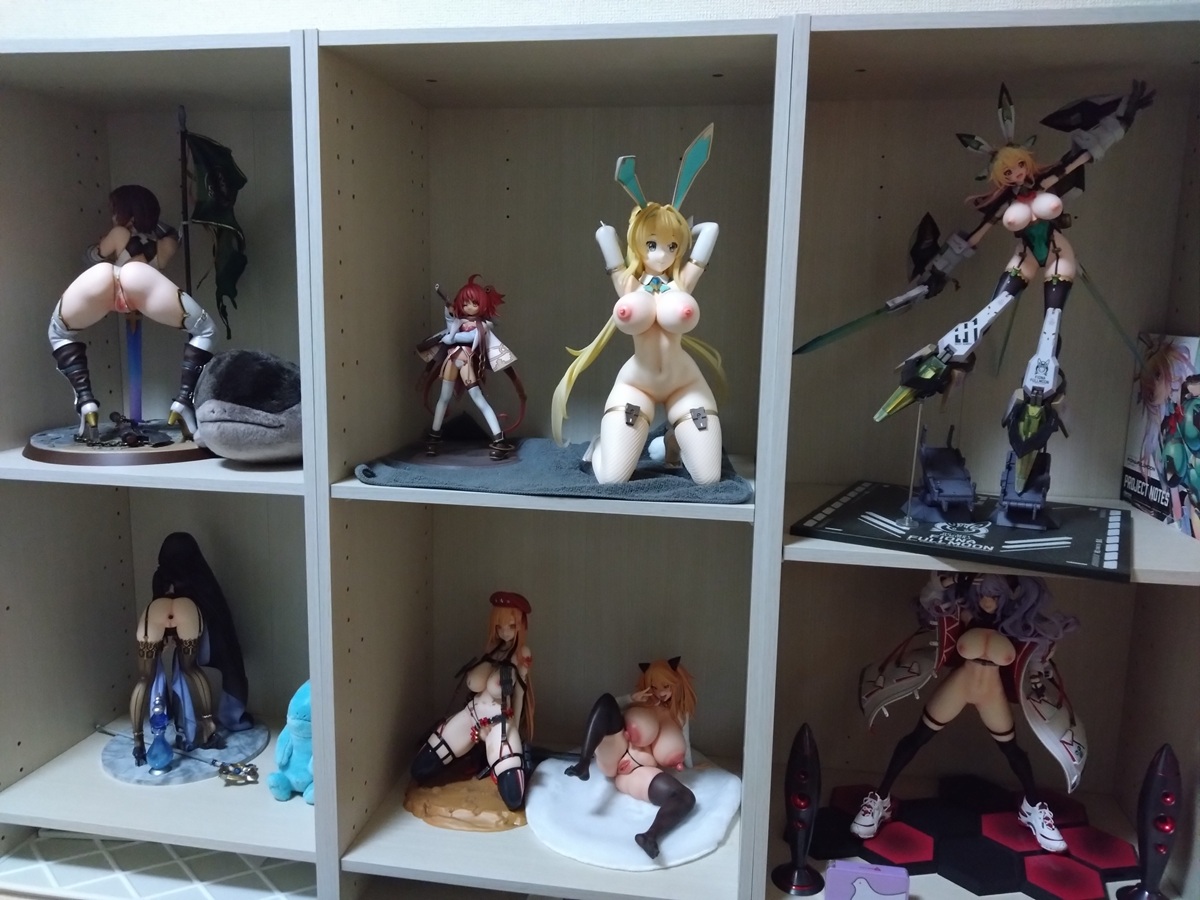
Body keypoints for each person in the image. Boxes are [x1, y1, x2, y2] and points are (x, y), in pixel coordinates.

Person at [853, 573, 1081, 853]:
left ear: (1006, 597)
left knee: (1013, 751)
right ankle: (880, 799)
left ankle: (1032, 807)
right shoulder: (964, 614)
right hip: (960, 685)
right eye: (982, 594)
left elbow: (1034, 657)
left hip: (991, 692)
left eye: (994, 595)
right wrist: (944, 582)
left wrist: (1036, 677)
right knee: (917, 738)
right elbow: (930, 602)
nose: (987, 601)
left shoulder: (1016, 626)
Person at [551, 125, 725, 485]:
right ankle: (603, 444)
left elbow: (711, 229)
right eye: (652, 244)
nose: (662, 254)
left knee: (709, 479)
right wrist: (611, 236)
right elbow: (606, 239)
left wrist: (681, 227)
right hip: (637, 385)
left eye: (672, 246)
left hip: (685, 383)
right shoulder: (628, 283)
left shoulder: (682, 282)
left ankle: (672, 442)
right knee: (613, 478)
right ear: (638, 244)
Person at [48, 184, 215, 440]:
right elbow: (173, 233)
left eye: (116, 210)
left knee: (59, 332)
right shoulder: (166, 243)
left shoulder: (119, 233)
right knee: (204, 329)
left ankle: (85, 401)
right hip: (143, 285)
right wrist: (149, 222)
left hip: (107, 280)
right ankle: (184, 400)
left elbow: (91, 257)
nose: (113, 215)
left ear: (126, 212)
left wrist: (111, 238)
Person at [410, 591, 533, 811]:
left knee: (511, 785)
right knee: (425, 763)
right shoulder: (492, 649)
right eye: (499, 626)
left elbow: (521, 693)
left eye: (511, 626)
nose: (504, 632)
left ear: (521, 625)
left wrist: (513, 726)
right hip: (472, 713)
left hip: (499, 722)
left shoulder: (521, 654)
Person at [564, 657, 698, 859]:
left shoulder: (679, 715)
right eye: (654, 686)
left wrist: (689, 764)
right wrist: (631, 698)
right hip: (619, 750)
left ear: (676, 684)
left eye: (666, 686)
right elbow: (612, 707)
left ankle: (650, 836)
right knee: (606, 701)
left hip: (640, 772)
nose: (661, 692)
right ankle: (583, 763)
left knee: (686, 797)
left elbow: (685, 740)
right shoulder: (642, 702)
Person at [416, 275, 518, 460]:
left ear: (482, 304)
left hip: (466, 362)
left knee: (479, 399)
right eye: (465, 303)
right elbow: (450, 324)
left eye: (474, 303)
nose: (469, 307)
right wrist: (449, 312)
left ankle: (499, 440)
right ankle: (433, 438)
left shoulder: (483, 325)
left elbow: (470, 338)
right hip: (451, 360)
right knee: (443, 398)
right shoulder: (459, 322)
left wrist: (452, 338)